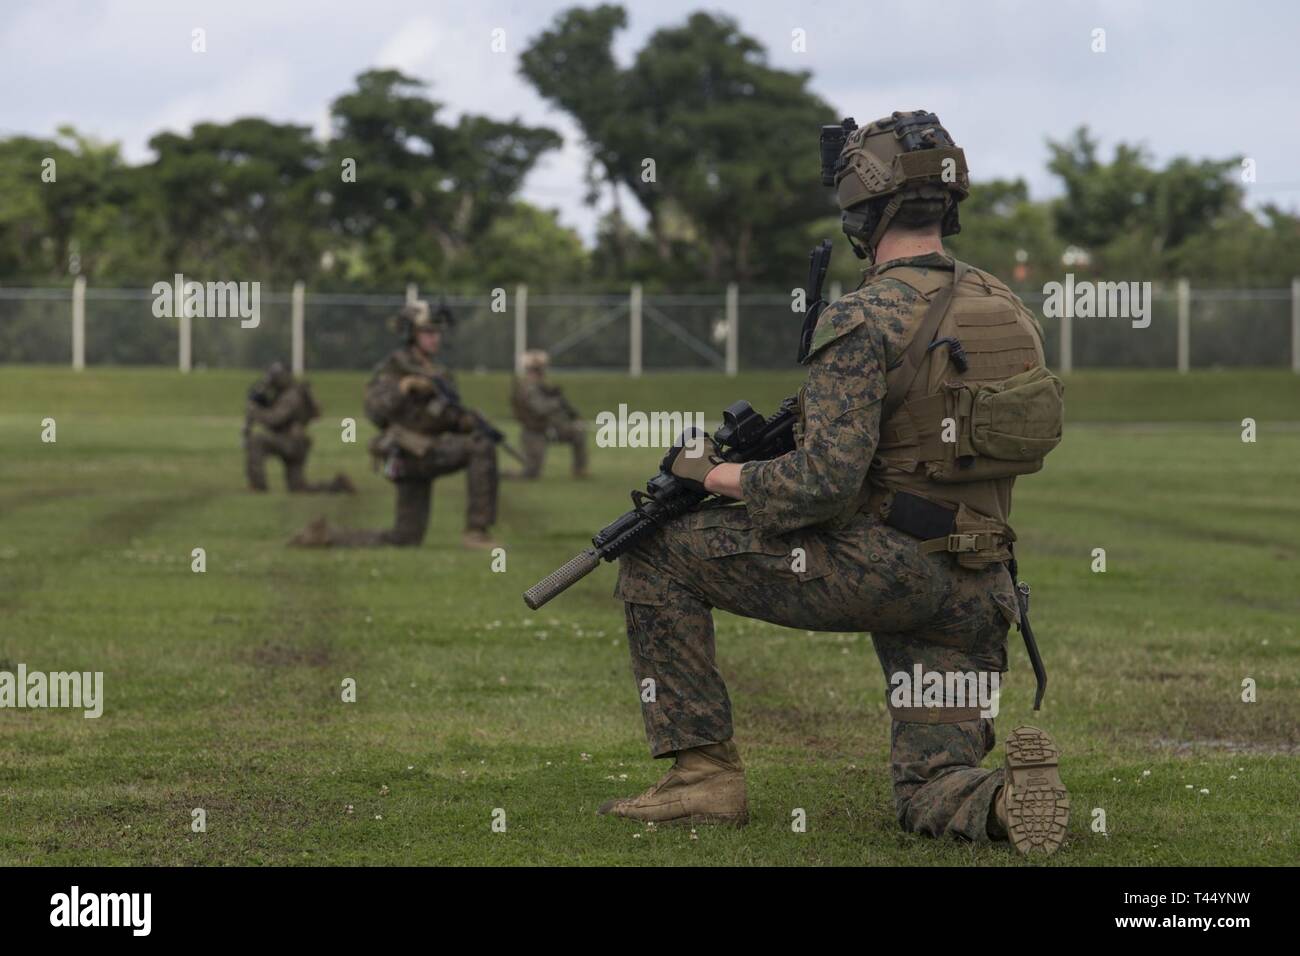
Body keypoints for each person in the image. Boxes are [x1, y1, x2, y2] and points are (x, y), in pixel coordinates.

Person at [598, 111, 1069, 855]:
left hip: (889, 569)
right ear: (948, 203)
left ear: (860, 213)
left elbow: (823, 484)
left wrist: (711, 472)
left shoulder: (861, 317)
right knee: (928, 782)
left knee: (657, 554)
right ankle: (1005, 802)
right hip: (982, 584)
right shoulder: (1007, 309)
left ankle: (703, 779)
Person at [290, 302, 499, 551]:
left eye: (437, 332)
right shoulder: (394, 369)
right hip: (406, 454)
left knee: (406, 538)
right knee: (479, 449)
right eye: (428, 333)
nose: (435, 338)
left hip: (430, 450)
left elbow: (447, 419)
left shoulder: (440, 374)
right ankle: (476, 532)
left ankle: (326, 536)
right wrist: (404, 388)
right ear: (411, 334)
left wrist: (467, 421)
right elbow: (376, 412)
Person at [243, 361, 354, 494]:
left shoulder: (292, 396)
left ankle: (258, 486)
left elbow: (274, 419)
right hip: (295, 442)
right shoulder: (288, 394)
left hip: (291, 443)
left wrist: (256, 412)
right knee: (298, 488)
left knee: (257, 441)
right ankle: (337, 486)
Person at [508, 349, 588, 479]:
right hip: (533, 433)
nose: (541, 372)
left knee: (578, 432)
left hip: (550, 428)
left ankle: (579, 470)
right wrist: (557, 402)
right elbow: (540, 409)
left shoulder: (541, 386)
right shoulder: (528, 388)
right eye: (538, 369)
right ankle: (495, 475)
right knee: (531, 473)